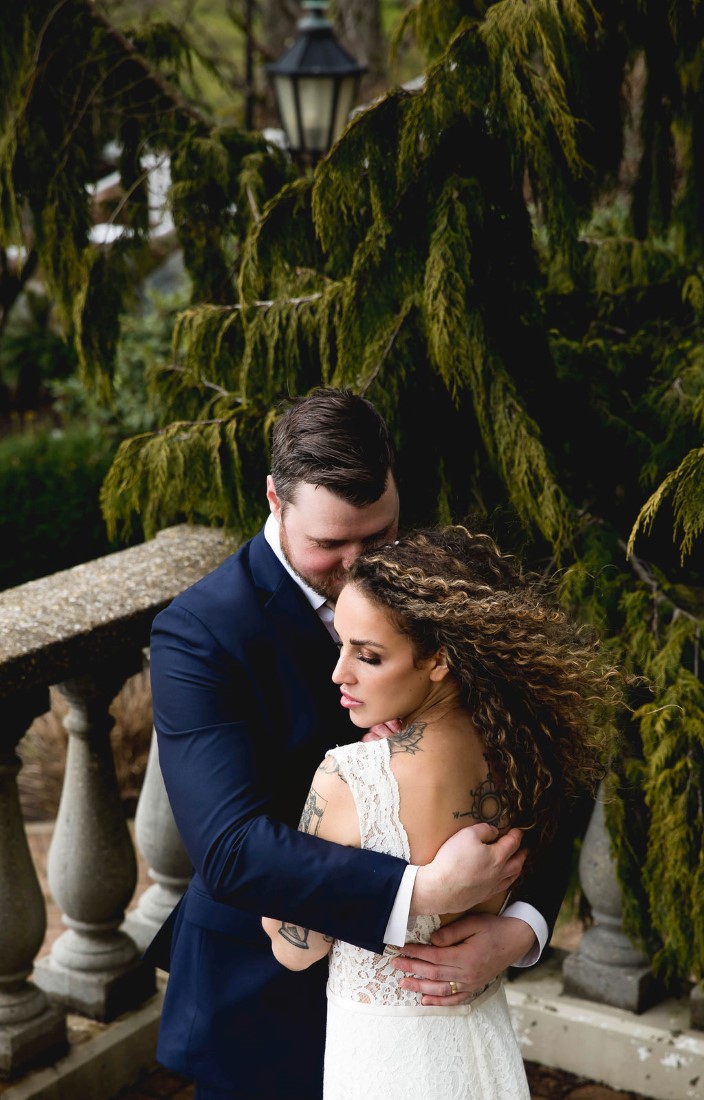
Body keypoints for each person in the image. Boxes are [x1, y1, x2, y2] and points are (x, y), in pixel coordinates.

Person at [146, 388, 575, 1100]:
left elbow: (553, 755)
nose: (355, 566)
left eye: (376, 537)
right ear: (275, 502)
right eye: (328, 544)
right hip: (260, 1007)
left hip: (425, 1018)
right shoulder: (199, 634)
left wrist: (522, 930)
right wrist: (425, 891)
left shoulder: (441, 590)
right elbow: (228, 848)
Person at [263, 525, 618, 1099]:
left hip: (385, 1063)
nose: (340, 673)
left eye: (369, 656)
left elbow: (291, 947)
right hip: (482, 1044)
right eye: (341, 645)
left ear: (438, 661)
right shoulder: (525, 754)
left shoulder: (350, 778)